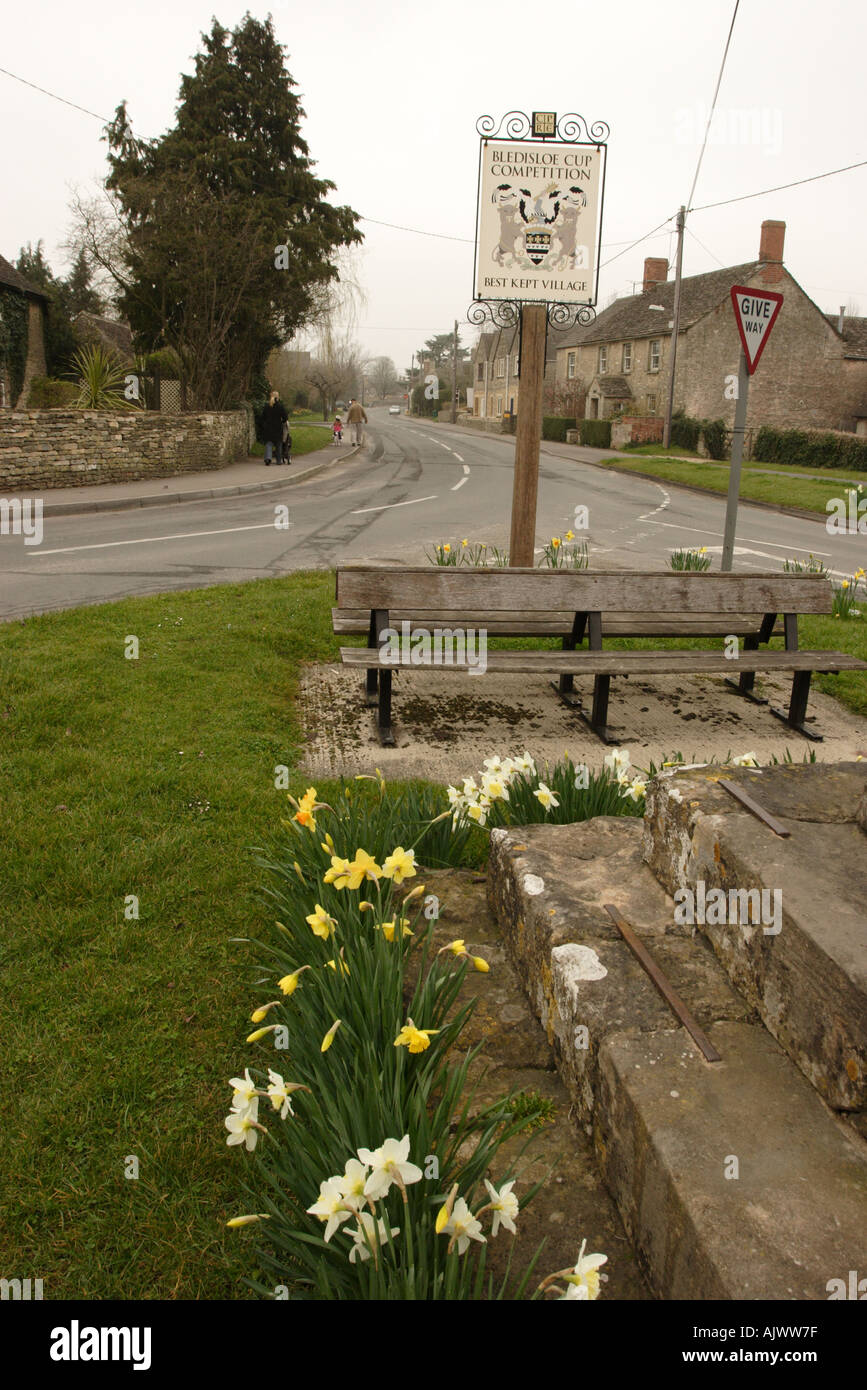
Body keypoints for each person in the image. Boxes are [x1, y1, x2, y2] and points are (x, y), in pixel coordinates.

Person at [261, 390, 289, 465]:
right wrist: (282, 422)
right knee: (278, 444)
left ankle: (268, 458)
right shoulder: (280, 406)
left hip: (268, 428)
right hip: (278, 428)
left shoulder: (267, 406)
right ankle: (278, 460)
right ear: (278, 397)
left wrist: (265, 423)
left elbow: (263, 417)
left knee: (269, 444)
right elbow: (285, 417)